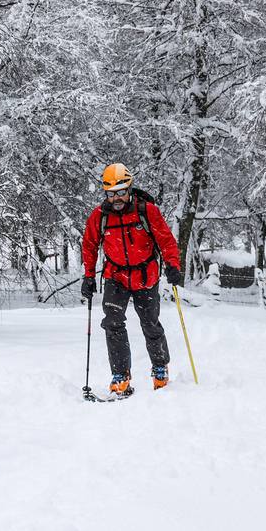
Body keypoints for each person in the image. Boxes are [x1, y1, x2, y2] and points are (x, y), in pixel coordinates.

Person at [80, 163, 185, 397]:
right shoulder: (100, 216)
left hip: (145, 275)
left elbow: (166, 240)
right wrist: (88, 276)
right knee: (112, 323)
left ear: (129, 188)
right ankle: (120, 375)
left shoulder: (146, 211)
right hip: (115, 276)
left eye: (120, 192)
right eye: (110, 193)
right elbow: (89, 245)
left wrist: (173, 265)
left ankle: (160, 367)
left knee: (150, 323)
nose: (116, 198)